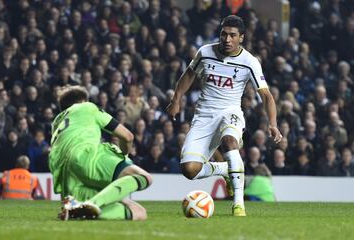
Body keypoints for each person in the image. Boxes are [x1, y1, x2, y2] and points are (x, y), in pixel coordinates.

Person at [166, 15, 282, 216]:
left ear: (241, 38)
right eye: (224, 34)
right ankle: (225, 170)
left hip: (230, 112)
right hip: (203, 116)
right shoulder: (205, 52)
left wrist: (273, 123)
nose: (227, 39)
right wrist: (176, 100)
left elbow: (266, 95)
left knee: (229, 142)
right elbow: (189, 75)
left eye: (232, 35)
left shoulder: (249, 62)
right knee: (189, 170)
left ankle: (238, 203)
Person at [49, 86, 152, 221]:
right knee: (143, 177)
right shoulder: (86, 107)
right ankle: (91, 205)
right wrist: (124, 156)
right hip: (84, 155)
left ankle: (76, 211)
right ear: (82, 101)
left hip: (66, 180)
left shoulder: (56, 123)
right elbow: (127, 136)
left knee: (139, 212)